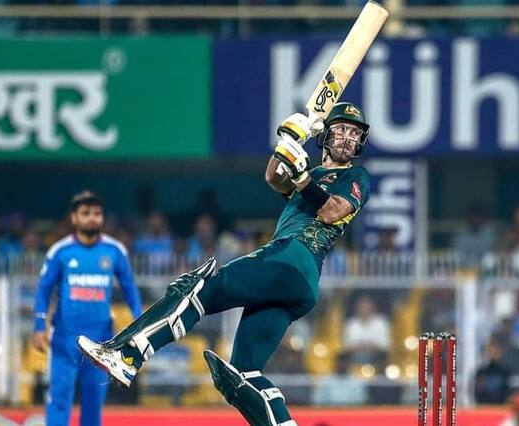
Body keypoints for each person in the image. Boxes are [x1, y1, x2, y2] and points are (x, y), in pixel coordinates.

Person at [78, 102, 371, 426]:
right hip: (294, 282)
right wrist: (288, 142)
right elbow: (274, 178)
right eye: (342, 130)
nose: (348, 138)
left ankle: (127, 354)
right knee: (242, 375)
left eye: (354, 133)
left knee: (199, 288)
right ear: (326, 134)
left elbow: (332, 211)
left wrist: (302, 176)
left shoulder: (356, 176)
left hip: (293, 259)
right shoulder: (313, 175)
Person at [32, 191, 143, 426]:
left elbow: (130, 288)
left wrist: (139, 322)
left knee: (94, 400)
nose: (92, 218)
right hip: (64, 339)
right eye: (85, 213)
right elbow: (43, 290)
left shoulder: (114, 251)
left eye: (97, 213)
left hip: (101, 341)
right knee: (59, 398)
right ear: (74, 218)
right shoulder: (60, 252)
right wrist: (39, 325)